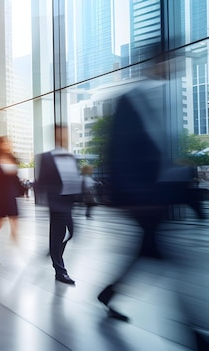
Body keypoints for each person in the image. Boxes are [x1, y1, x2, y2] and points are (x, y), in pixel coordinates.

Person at [96, 49, 205, 323]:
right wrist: (135, 195)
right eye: (171, 61)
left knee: (148, 251)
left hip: (156, 192)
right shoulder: (133, 98)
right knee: (172, 258)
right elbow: (117, 152)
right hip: (143, 196)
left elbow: (158, 151)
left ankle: (110, 293)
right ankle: (192, 327)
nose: (175, 67)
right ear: (160, 62)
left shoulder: (159, 94)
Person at [35, 124, 81, 285]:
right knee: (58, 235)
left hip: (68, 202)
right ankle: (60, 270)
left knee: (72, 233)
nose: (64, 135)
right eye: (60, 133)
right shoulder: (47, 157)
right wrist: (46, 202)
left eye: (65, 132)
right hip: (56, 203)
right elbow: (40, 182)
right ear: (55, 135)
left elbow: (76, 179)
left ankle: (54, 252)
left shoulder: (72, 157)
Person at [0, 136, 21, 265]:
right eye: (5, 142)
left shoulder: (13, 159)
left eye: (9, 142)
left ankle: (15, 236)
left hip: (11, 196)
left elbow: (15, 179)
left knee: (15, 218)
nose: (8, 144)